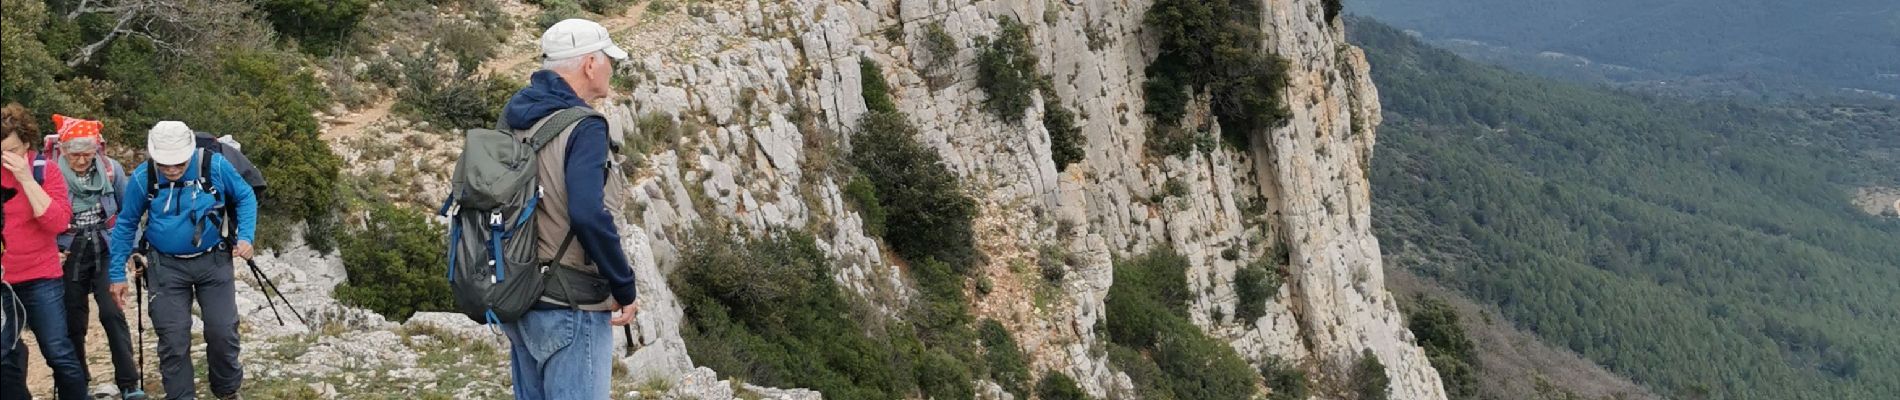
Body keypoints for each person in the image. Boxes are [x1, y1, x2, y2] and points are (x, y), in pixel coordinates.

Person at [498, 18, 641, 399]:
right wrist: (624, 286)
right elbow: (588, 215)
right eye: (608, 58)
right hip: (570, 304)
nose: (612, 67)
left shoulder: (514, 118)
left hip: (520, 299)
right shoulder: (585, 126)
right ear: (589, 64)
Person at [106, 121, 257, 400]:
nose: (172, 170)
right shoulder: (144, 177)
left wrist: (246, 236)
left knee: (222, 331)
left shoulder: (215, 166)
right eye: (165, 164)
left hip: (213, 260)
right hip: (166, 267)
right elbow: (126, 223)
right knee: (173, 339)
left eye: (178, 163)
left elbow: (245, 195)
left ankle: (226, 390)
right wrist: (116, 273)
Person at [50, 115, 146, 400]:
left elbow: (128, 213)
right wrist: (50, 249)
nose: (81, 161)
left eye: (87, 154)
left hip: (106, 248)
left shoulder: (111, 170)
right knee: (73, 320)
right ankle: (77, 385)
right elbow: (40, 215)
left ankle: (128, 383)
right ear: (63, 150)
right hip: (69, 251)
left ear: (96, 150)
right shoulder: (51, 175)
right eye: (74, 154)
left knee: (112, 312)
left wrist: (134, 250)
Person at [0, 103, 85, 400]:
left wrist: (24, 178)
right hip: (2, 282)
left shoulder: (43, 170)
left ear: (26, 143)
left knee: (58, 351)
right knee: (4, 356)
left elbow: (58, 223)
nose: (4, 158)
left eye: (10, 150)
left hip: (39, 278)